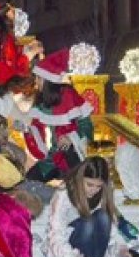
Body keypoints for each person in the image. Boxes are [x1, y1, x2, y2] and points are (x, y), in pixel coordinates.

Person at [44, 157, 134, 257]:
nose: (94, 190)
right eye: (90, 185)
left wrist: (122, 251)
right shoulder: (64, 193)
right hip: (69, 251)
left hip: (94, 249)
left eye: (98, 186)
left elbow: (110, 228)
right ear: (80, 178)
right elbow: (56, 233)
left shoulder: (102, 193)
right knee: (88, 222)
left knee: (103, 216)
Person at [19, 50, 95, 181]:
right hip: (53, 157)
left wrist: (71, 138)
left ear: (47, 79)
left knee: (75, 182)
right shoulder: (41, 100)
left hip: (74, 154)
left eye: (38, 78)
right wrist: (26, 129)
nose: (36, 82)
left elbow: (87, 125)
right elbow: (37, 129)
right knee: (28, 181)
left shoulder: (69, 95)